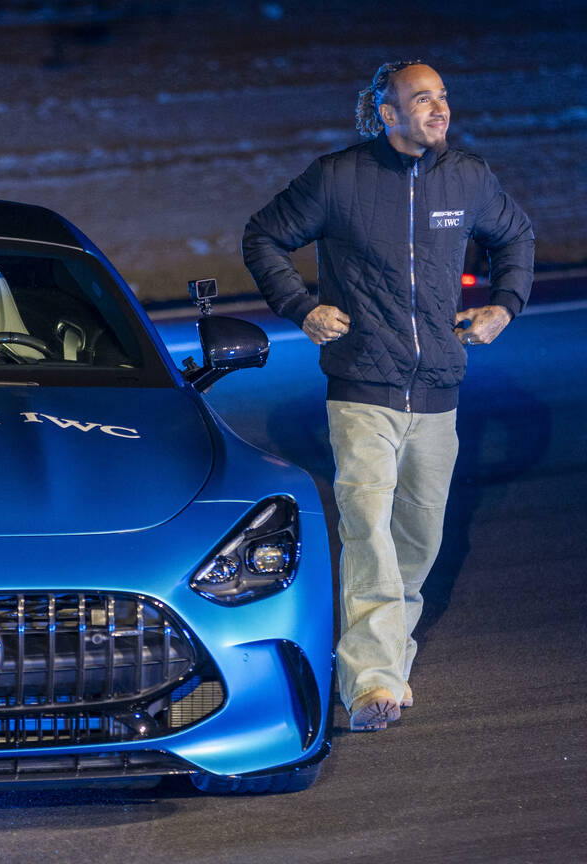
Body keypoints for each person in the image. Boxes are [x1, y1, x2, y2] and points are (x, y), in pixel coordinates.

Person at [242, 61, 534, 731]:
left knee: (417, 537)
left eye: (443, 97)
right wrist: (301, 306)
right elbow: (263, 237)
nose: (438, 109)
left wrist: (503, 306)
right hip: (362, 390)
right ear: (387, 113)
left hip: (438, 390)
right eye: (421, 98)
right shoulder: (337, 179)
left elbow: (515, 236)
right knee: (368, 527)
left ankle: (387, 657)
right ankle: (370, 681)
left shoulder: (467, 177)